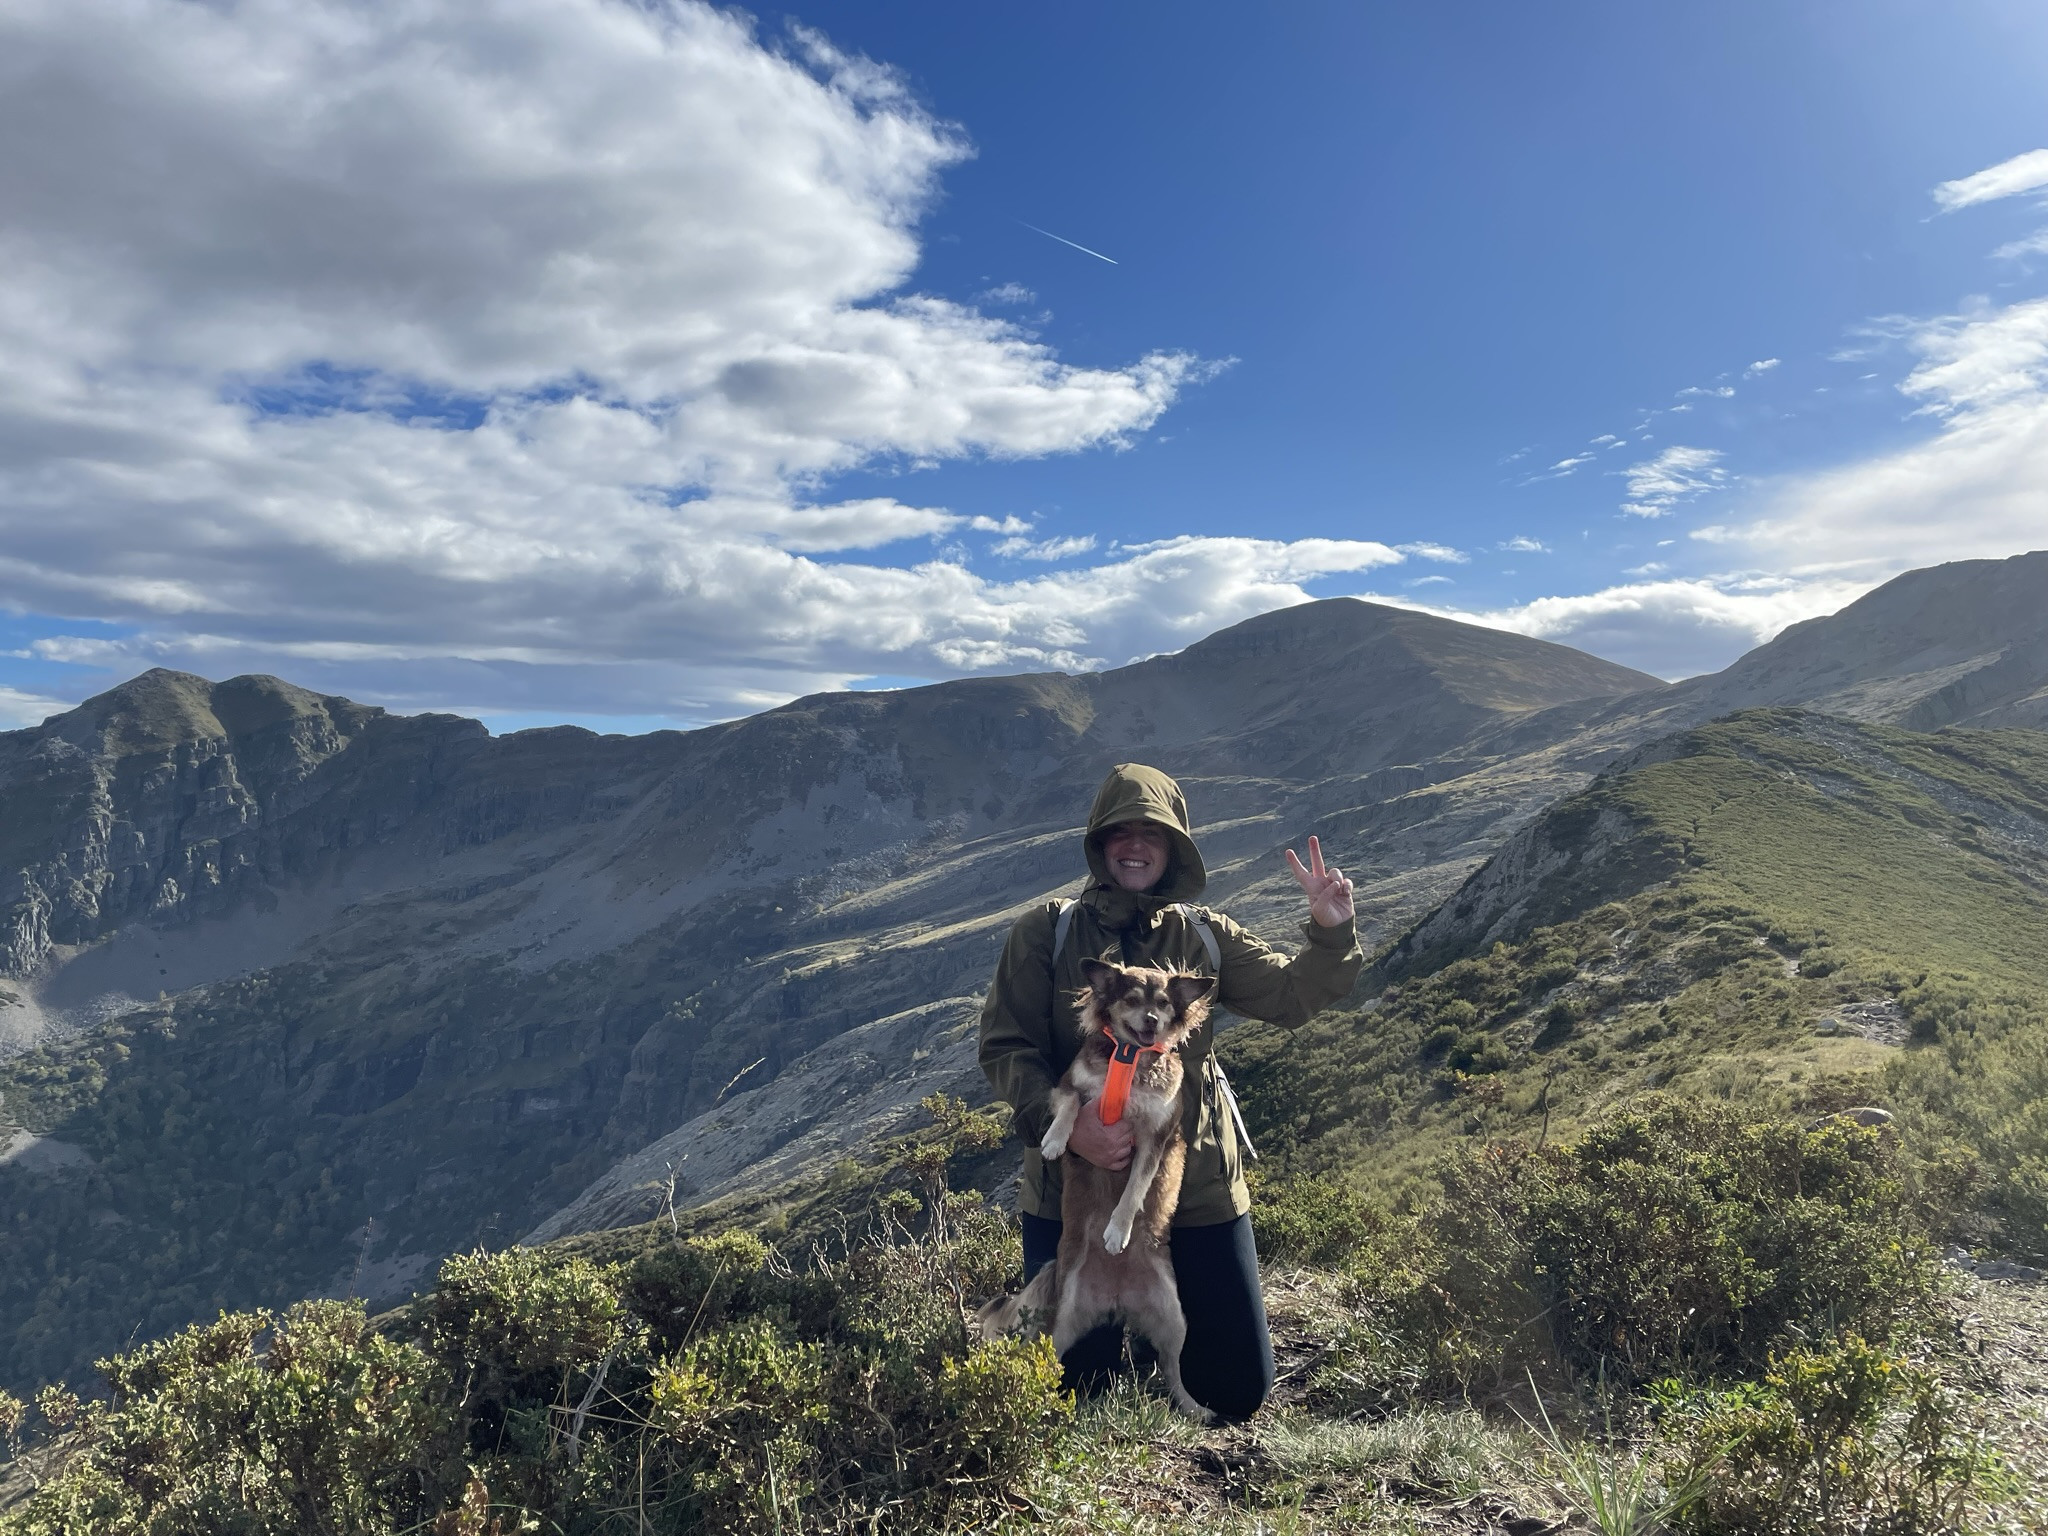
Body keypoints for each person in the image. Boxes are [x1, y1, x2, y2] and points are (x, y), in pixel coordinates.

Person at [978, 762, 1361, 1423]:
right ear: (1099, 843)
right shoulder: (1048, 932)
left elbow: (1294, 996)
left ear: (1175, 846)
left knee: (1235, 1391)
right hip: (1071, 1193)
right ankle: (1108, 1335)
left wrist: (1330, 931)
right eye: (1118, 831)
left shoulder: (1207, 936)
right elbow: (1007, 1047)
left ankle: (1162, 1339)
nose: (1133, 845)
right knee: (1070, 1393)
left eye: (1150, 833)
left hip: (1195, 1190)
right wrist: (1068, 1125)